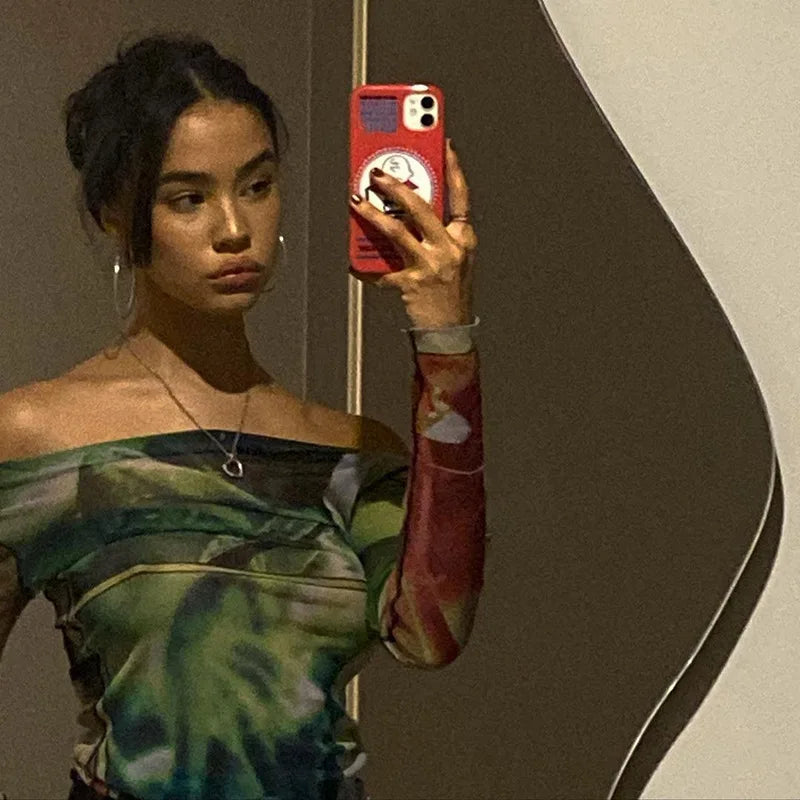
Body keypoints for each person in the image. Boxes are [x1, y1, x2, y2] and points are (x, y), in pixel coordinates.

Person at [0, 34, 485, 800]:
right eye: (188, 199)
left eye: (256, 186)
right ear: (114, 214)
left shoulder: (353, 454)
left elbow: (432, 633)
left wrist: (445, 337)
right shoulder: (36, 440)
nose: (234, 229)